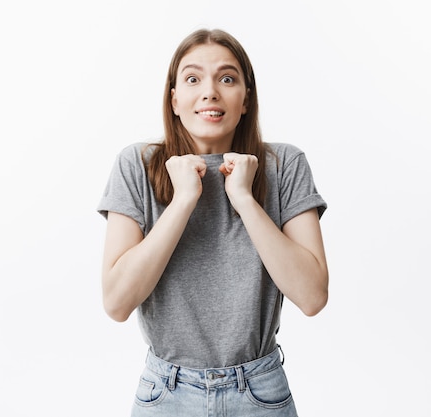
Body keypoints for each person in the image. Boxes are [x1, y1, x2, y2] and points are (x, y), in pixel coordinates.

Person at [97, 28, 328, 417]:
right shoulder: (136, 166)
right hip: (166, 395)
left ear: (245, 98)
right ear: (173, 99)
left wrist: (243, 198)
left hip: (260, 393)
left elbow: (312, 296)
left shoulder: (285, 165)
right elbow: (117, 303)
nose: (209, 92)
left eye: (226, 78)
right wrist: (184, 200)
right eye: (192, 79)